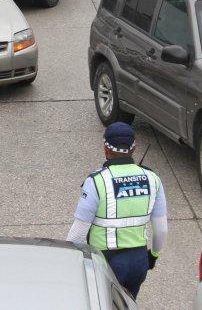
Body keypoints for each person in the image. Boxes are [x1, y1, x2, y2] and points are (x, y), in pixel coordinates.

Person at [67, 122, 167, 299]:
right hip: (139, 262)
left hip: (107, 263)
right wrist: (153, 255)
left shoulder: (97, 181)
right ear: (134, 148)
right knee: (128, 303)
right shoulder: (153, 179)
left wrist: (65, 261)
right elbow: (161, 230)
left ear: (106, 149)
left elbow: (77, 234)